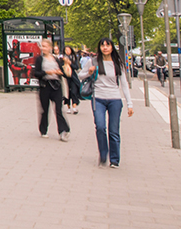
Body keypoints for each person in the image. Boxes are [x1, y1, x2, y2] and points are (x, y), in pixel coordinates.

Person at [78, 38, 134, 168]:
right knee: (100, 127)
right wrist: (89, 72)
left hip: (115, 99)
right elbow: (80, 76)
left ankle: (114, 160)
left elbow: (124, 84)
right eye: (102, 45)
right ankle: (103, 154)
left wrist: (129, 104)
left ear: (112, 47)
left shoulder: (117, 63)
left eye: (108, 45)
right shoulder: (93, 61)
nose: (105, 48)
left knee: (113, 130)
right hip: (98, 98)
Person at [33, 38, 71, 141]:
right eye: (42, 46)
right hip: (45, 86)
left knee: (58, 109)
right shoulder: (39, 59)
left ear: (50, 47)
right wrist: (47, 72)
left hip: (56, 86)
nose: (42, 48)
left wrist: (61, 71)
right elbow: (36, 73)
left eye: (45, 46)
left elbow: (63, 72)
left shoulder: (55, 59)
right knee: (45, 109)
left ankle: (63, 131)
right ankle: (43, 130)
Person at [63, 46, 82, 114]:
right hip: (65, 77)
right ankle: (68, 107)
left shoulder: (74, 58)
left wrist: (70, 63)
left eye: (68, 50)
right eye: (66, 50)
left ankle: (74, 107)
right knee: (67, 93)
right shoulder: (62, 58)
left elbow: (76, 67)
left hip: (73, 77)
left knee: (74, 91)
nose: (67, 51)